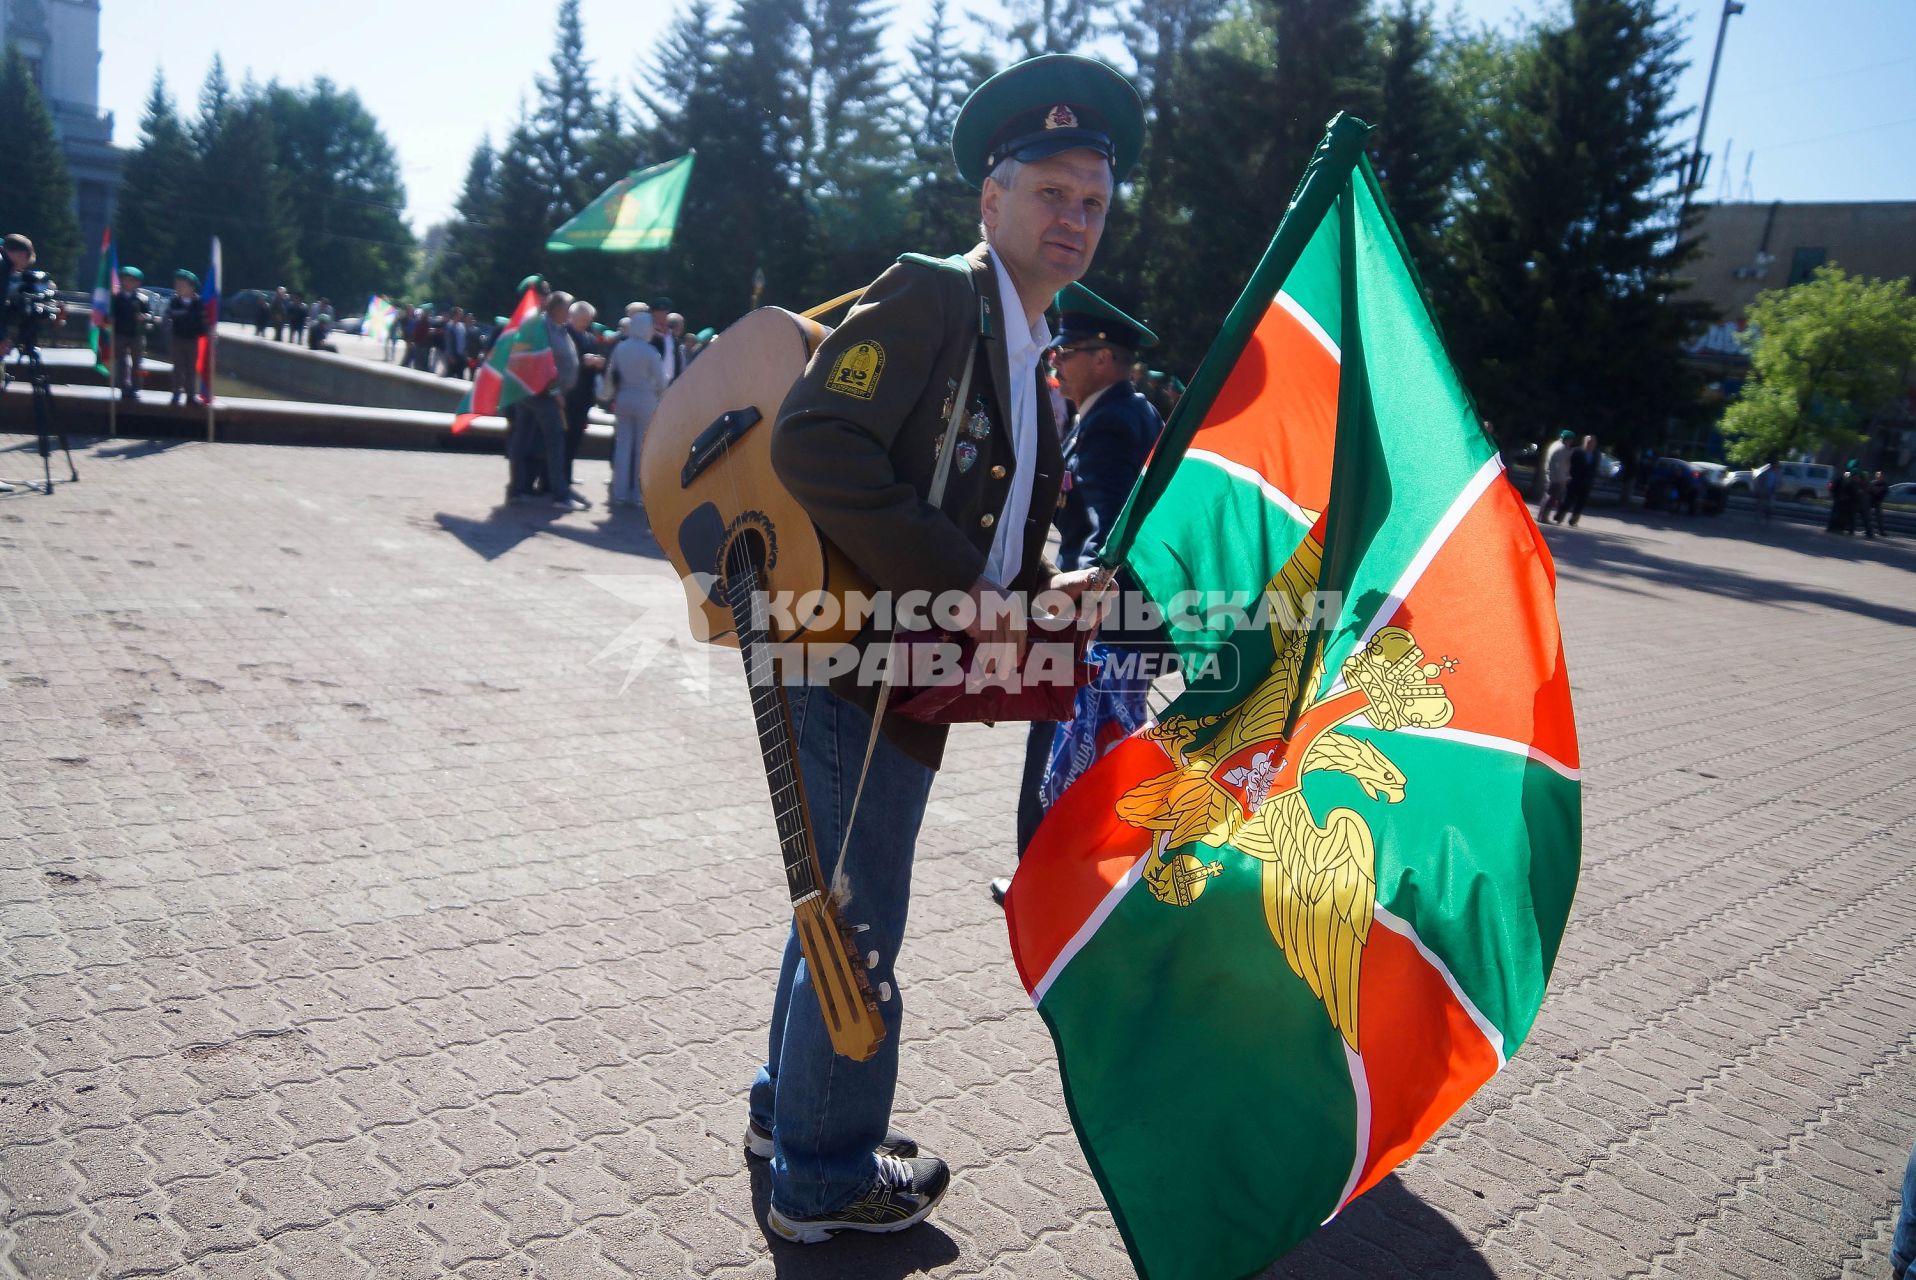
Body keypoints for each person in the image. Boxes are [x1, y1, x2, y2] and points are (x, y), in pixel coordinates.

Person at [749, 53, 1143, 1246]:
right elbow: (815, 445)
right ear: (991, 196)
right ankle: (821, 1176)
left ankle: (788, 1119)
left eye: (1091, 202)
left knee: (836, 903)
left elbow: (986, 520)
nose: (1072, 220)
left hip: (907, 673)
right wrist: (967, 590)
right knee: (861, 915)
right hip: (849, 660)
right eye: (1049, 193)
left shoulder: (1032, 351)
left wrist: (1038, 590)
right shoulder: (935, 294)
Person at [995, 281, 1164, 904]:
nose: (1055, 364)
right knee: (1102, 752)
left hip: (1096, 623)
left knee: (1058, 749)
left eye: (1064, 354)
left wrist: (1085, 596)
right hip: (1125, 624)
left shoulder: (1111, 424)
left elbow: (1106, 523)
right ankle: (1089, 880)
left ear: (1100, 357)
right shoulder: (1133, 411)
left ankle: (1040, 887)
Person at [505, 292, 584, 510]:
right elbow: (542, 362)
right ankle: (559, 495)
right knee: (554, 442)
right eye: (567, 308)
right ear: (557, 309)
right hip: (542, 394)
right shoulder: (542, 328)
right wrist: (555, 391)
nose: (569, 312)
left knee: (524, 439)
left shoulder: (555, 328)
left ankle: (518, 490)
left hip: (537, 393)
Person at [608, 304, 667, 507]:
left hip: (623, 397)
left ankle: (620, 492)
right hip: (645, 400)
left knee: (622, 445)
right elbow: (661, 382)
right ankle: (638, 494)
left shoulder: (620, 347)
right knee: (642, 450)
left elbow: (611, 375)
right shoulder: (650, 352)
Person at [560, 300, 605, 500]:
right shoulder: (564, 334)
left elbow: (595, 362)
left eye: (588, 320)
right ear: (573, 317)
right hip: (568, 395)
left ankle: (567, 475)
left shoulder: (590, 338)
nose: (586, 323)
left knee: (575, 438)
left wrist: (598, 363)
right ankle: (558, 478)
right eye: (583, 320)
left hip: (583, 396)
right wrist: (583, 361)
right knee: (563, 438)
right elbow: (564, 361)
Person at [165, 270, 206, 406]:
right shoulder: (175, 301)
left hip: (192, 339)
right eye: (177, 284)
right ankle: (176, 391)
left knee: (191, 368)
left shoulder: (199, 302)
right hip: (178, 338)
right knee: (178, 366)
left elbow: (202, 320)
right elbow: (171, 314)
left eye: (182, 285)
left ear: (192, 287)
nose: (178, 288)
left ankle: (191, 394)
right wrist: (185, 315)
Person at [110, 267, 151, 402]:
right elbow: (111, 314)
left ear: (138, 284)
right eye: (126, 279)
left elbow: (149, 315)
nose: (128, 283)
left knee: (137, 363)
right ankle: (123, 386)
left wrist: (144, 317)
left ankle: (136, 386)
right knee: (121, 361)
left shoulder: (142, 299)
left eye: (133, 281)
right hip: (120, 333)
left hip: (136, 334)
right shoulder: (116, 298)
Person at [1537, 429, 1574, 523]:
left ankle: (1541, 516)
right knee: (1551, 498)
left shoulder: (1554, 445)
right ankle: (1544, 517)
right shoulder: (1562, 449)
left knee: (1547, 496)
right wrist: (1564, 479)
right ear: (1569, 440)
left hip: (1550, 474)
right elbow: (1560, 466)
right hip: (1556, 478)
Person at [1561, 434, 1599, 526]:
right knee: (1568, 500)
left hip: (1587, 482)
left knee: (1581, 502)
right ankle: (1560, 516)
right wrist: (1567, 476)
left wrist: (1592, 480)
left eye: (1592, 442)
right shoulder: (1576, 451)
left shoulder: (1596, 454)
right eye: (1588, 441)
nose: (1590, 444)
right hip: (1574, 480)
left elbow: (1595, 468)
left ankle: (1574, 520)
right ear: (1584, 442)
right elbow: (1568, 464)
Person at [441, 307, 469, 377]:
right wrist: (450, 355)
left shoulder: (462, 326)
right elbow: (448, 342)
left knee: (460, 376)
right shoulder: (449, 326)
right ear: (455, 315)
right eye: (460, 314)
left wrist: (465, 354)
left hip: (461, 356)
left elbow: (464, 341)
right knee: (450, 375)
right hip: (452, 356)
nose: (461, 315)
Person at [1866, 470, 1889, 539]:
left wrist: (1875, 489)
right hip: (1871, 501)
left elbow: (1880, 491)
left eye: (1880, 475)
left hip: (1877, 501)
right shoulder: (1872, 483)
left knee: (1879, 517)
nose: (1879, 477)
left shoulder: (1884, 484)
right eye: (1878, 475)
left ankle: (1881, 531)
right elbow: (1869, 490)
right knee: (1868, 516)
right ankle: (1869, 530)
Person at [1755, 456, 1778, 521]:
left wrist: (1776, 488)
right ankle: (1759, 516)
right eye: (1775, 465)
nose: (1776, 466)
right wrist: (1759, 489)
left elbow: (1777, 482)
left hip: (1772, 490)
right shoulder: (1765, 472)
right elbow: (1760, 481)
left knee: (1770, 505)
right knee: (1761, 504)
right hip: (1764, 489)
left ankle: (1767, 516)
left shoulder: (1776, 472)